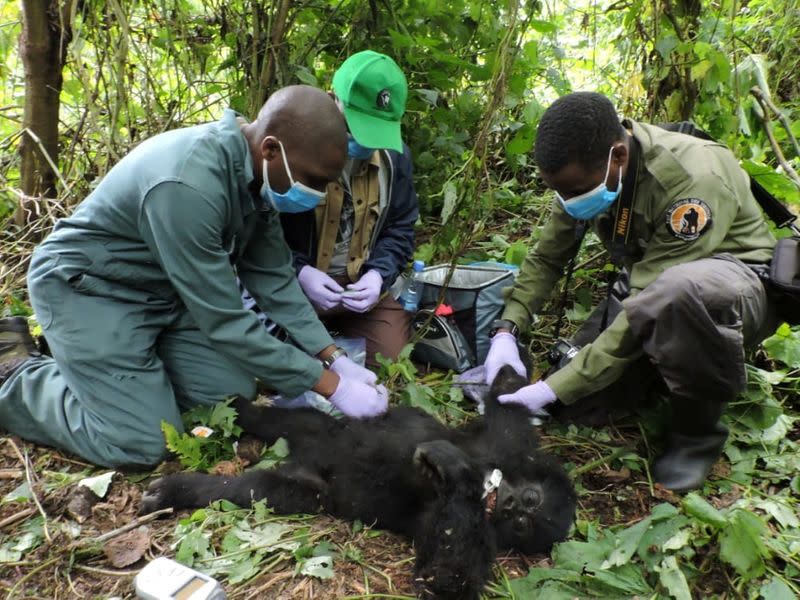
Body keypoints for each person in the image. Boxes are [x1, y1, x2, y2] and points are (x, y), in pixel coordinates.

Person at [0, 85, 389, 469]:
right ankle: (18, 375)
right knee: (140, 443)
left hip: (162, 293)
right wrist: (330, 386)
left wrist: (333, 356)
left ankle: (111, 375)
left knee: (224, 399)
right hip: (92, 290)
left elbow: (271, 277)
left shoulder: (258, 178)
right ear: (271, 149)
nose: (318, 194)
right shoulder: (187, 186)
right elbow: (225, 323)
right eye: (314, 181)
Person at [483, 92, 779, 492]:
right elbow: (546, 259)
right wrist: (508, 330)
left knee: (679, 294)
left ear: (618, 157)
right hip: (650, 282)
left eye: (575, 192)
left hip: (732, 289)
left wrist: (556, 385)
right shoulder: (583, 177)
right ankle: (660, 370)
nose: (568, 203)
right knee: (575, 404)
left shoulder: (693, 178)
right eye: (561, 194)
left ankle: (697, 436)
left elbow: (655, 296)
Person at [249, 50, 419, 368]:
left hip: (357, 289)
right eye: (355, 127)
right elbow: (260, 232)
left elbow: (401, 226)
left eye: (375, 131)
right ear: (332, 100)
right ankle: (309, 344)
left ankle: (326, 342)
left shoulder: (396, 159)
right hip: (296, 286)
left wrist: (378, 276)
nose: (363, 141)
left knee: (388, 358)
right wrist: (299, 271)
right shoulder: (295, 149)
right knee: (272, 360)